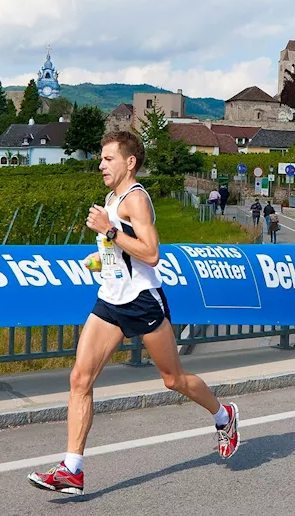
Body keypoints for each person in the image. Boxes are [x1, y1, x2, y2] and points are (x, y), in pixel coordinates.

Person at [28, 132, 239, 496]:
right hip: (111, 300)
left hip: (143, 301)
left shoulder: (136, 198)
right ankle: (72, 469)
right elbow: (119, 251)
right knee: (80, 378)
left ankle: (224, 416)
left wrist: (108, 230)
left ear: (130, 162)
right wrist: (100, 258)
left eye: (108, 158)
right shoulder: (110, 198)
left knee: (173, 380)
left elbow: (152, 253)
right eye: (100, 158)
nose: (101, 165)